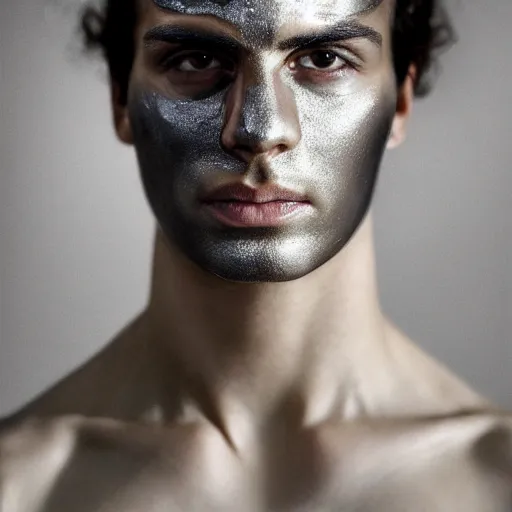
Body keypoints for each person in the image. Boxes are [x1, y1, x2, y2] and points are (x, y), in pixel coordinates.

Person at [1, 0, 511, 510]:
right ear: (120, 97)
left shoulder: (497, 480)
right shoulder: (19, 486)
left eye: (324, 59)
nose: (259, 130)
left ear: (400, 99)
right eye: (196, 60)